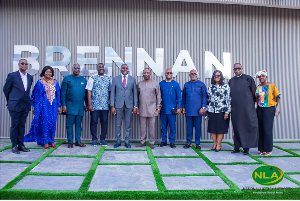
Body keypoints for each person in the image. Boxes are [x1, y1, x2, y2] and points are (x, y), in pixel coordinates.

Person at [24, 66, 61, 149]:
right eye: (47, 72)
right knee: (44, 123)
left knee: (52, 123)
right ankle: (44, 141)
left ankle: (51, 140)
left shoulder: (55, 82)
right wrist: (36, 107)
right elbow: (35, 95)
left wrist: (59, 106)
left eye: (50, 72)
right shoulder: (40, 82)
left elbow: (58, 95)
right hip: (43, 106)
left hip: (53, 106)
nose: (48, 73)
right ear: (44, 72)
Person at [3, 59, 33, 154]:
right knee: (15, 125)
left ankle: (21, 145)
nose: (24, 65)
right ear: (19, 64)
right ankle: (14, 145)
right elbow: (6, 89)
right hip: (15, 105)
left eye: (26, 64)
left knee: (22, 125)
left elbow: (26, 91)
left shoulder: (30, 77)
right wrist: (11, 100)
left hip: (25, 105)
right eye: (22, 63)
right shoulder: (12, 75)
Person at [228, 63, 258, 155]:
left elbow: (254, 93)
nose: (237, 70)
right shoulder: (231, 81)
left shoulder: (248, 78)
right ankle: (236, 147)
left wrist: (249, 105)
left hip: (246, 108)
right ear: (233, 70)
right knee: (236, 127)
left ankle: (246, 148)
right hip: (235, 108)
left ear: (242, 68)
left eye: (239, 68)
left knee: (246, 126)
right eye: (235, 69)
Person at [110, 64, 138, 148]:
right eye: (123, 68)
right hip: (118, 104)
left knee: (128, 124)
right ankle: (118, 141)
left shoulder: (132, 79)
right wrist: (112, 105)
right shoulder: (115, 79)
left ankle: (127, 141)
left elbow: (135, 93)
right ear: (120, 69)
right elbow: (112, 93)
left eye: (126, 68)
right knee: (118, 124)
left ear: (128, 70)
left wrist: (135, 105)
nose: (125, 69)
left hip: (129, 105)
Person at [61, 64, 87, 148]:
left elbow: (86, 94)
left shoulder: (83, 80)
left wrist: (87, 104)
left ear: (80, 70)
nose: (77, 69)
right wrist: (64, 105)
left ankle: (78, 141)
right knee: (69, 124)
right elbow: (63, 93)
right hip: (70, 106)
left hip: (80, 107)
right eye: (75, 68)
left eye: (78, 68)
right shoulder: (67, 79)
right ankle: (70, 141)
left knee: (78, 125)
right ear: (72, 69)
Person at [255, 70, 280, 156]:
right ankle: (261, 149)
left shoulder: (272, 86)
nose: (261, 78)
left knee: (267, 129)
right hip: (260, 109)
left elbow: (278, 96)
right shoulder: (258, 87)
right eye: (260, 76)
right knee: (261, 129)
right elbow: (256, 98)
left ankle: (268, 149)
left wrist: (275, 106)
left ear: (266, 77)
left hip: (269, 109)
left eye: (263, 76)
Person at [205, 70, 231, 152]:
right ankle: (214, 143)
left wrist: (227, 111)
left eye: (218, 75)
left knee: (220, 128)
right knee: (213, 128)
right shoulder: (210, 87)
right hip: (212, 110)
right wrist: (207, 110)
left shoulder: (226, 86)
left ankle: (219, 144)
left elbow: (228, 99)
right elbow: (208, 99)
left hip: (222, 110)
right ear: (213, 77)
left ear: (221, 76)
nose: (217, 77)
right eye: (215, 76)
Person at [86, 63, 111, 146]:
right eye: (99, 67)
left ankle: (102, 139)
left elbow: (110, 91)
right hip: (94, 105)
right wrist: (89, 104)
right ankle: (94, 139)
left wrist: (110, 103)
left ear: (104, 68)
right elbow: (89, 91)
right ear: (97, 68)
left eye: (102, 67)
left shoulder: (108, 78)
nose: (101, 68)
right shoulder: (92, 78)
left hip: (105, 105)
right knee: (94, 121)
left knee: (104, 122)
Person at [136, 68, 161, 149]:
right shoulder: (139, 84)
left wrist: (158, 108)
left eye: (147, 73)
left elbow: (158, 96)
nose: (146, 74)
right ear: (143, 74)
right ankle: (142, 141)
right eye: (144, 73)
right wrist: (137, 108)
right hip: (142, 109)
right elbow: (137, 96)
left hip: (152, 109)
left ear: (150, 74)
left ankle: (152, 142)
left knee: (152, 126)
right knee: (142, 127)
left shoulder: (155, 84)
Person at [182, 69, 207, 150]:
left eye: (194, 74)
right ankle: (189, 142)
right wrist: (183, 108)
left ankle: (197, 143)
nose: (193, 75)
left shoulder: (201, 84)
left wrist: (203, 107)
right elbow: (184, 97)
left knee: (197, 128)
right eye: (191, 74)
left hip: (198, 110)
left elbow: (205, 97)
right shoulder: (186, 85)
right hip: (189, 110)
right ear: (189, 75)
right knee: (189, 127)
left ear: (197, 75)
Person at [159, 68, 181, 148]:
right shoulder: (161, 84)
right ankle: (164, 141)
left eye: (170, 73)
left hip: (172, 110)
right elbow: (158, 97)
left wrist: (179, 107)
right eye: (167, 72)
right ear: (165, 74)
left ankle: (172, 141)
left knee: (172, 126)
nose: (169, 74)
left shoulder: (175, 84)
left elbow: (179, 96)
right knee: (163, 126)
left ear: (172, 74)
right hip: (163, 109)